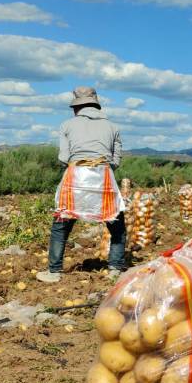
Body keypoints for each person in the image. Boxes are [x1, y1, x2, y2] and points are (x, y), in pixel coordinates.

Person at [36, 87, 126, 283]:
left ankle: (54, 272)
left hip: (75, 176)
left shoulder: (67, 125)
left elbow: (63, 158)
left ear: (76, 107)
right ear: (96, 105)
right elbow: (116, 161)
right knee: (117, 226)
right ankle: (115, 269)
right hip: (103, 176)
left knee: (61, 225)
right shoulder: (113, 127)